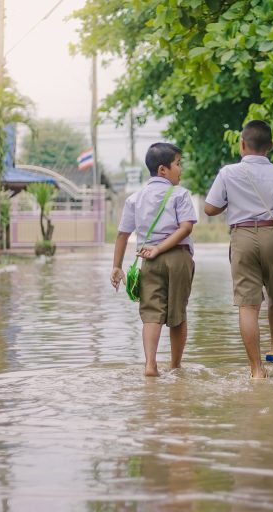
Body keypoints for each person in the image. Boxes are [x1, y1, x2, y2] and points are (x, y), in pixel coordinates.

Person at [204, 120, 273, 379]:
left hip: (242, 235)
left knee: (248, 306)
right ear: (270, 146)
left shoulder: (227, 173)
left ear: (242, 145)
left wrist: (234, 201)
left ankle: (257, 371)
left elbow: (209, 208)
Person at [111, 142, 197, 377]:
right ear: (163, 170)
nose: (180, 169)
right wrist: (161, 248)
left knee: (151, 313)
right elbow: (186, 228)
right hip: (177, 257)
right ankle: (176, 367)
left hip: (147, 259)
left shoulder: (135, 199)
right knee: (178, 313)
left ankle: (150, 365)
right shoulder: (180, 194)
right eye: (178, 164)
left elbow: (122, 235)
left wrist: (117, 266)